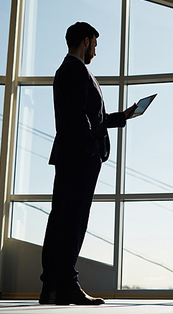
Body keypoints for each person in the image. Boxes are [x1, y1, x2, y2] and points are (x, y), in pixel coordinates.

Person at [39, 22, 137, 305]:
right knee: (73, 220)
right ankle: (66, 285)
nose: (95, 50)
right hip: (80, 157)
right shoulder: (75, 70)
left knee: (61, 219)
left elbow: (90, 117)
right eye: (95, 43)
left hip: (71, 155)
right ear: (86, 41)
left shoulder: (68, 70)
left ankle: (52, 288)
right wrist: (92, 150)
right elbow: (78, 117)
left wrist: (123, 116)